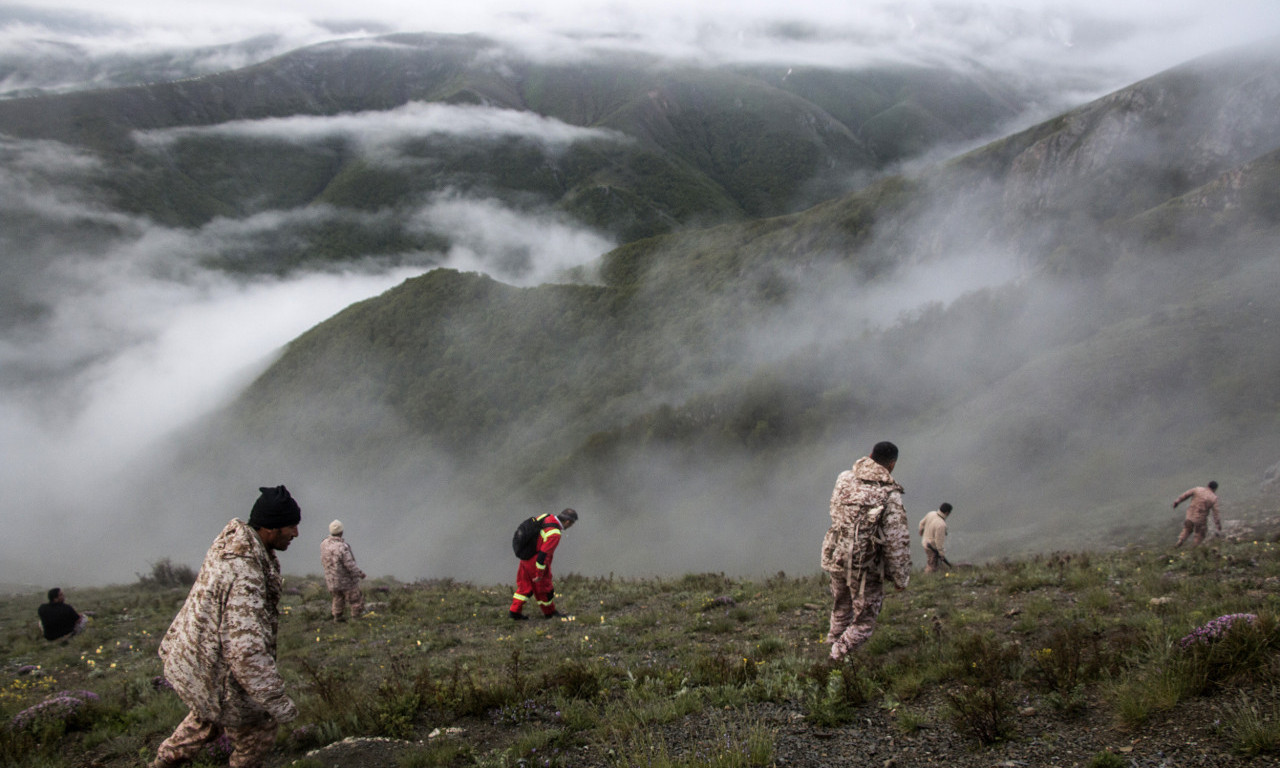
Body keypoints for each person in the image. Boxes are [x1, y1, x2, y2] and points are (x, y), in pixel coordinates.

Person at [149, 485, 301, 768]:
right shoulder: (244, 573)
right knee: (258, 731)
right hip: (215, 669)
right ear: (270, 527)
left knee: (206, 718)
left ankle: (163, 763)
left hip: (198, 661)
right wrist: (277, 701)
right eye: (290, 526)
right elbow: (246, 650)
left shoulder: (232, 544)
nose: (295, 533)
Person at [821, 441, 911, 661]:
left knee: (841, 607)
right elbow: (896, 540)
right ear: (891, 465)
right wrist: (900, 577)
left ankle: (833, 643)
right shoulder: (889, 493)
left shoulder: (844, 478)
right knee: (864, 621)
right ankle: (836, 658)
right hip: (864, 565)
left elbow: (835, 511)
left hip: (836, 555)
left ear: (870, 455)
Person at [509, 508, 578, 620]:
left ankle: (514, 612)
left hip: (526, 556)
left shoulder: (546, 516)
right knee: (544, 588)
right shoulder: (554, 533)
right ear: (567, 522)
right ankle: (549, 612)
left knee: (524, 586)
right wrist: (539, 573)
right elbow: (544, 555)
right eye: (571, 524)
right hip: (535, 561)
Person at [320, 519, 366, 622]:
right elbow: (349, 564)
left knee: (337, 598)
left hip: (331, 579)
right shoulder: (342, 547)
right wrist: (359, 573)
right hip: (345, 580)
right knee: (355, 598)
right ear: (341, 532)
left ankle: (337, 617)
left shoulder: (324, 544)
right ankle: (356, 618)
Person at [1173, 480, 1221, 547]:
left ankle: (1180, 541)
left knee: (1187, 529)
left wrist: (1177, 502)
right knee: (1200, 534)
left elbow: (1185, 495)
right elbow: (1216, 513)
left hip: (1189, 516)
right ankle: (1194, 548)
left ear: (1208, 485)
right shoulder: (1213, 498)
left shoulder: (1197, 489)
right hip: (1200, 519)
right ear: (1215, 489)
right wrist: (1218, 525)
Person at [918, 503, 953, 574]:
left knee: (934, 563)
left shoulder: (931, 513)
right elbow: (939, 542)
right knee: (932, 565)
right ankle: (926, 579)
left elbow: (921, 523)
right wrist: (941, 554)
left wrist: (921, 532)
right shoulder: (941, 524)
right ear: (947, 513)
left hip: (925, 542)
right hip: (932, 547)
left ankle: (936, 575)